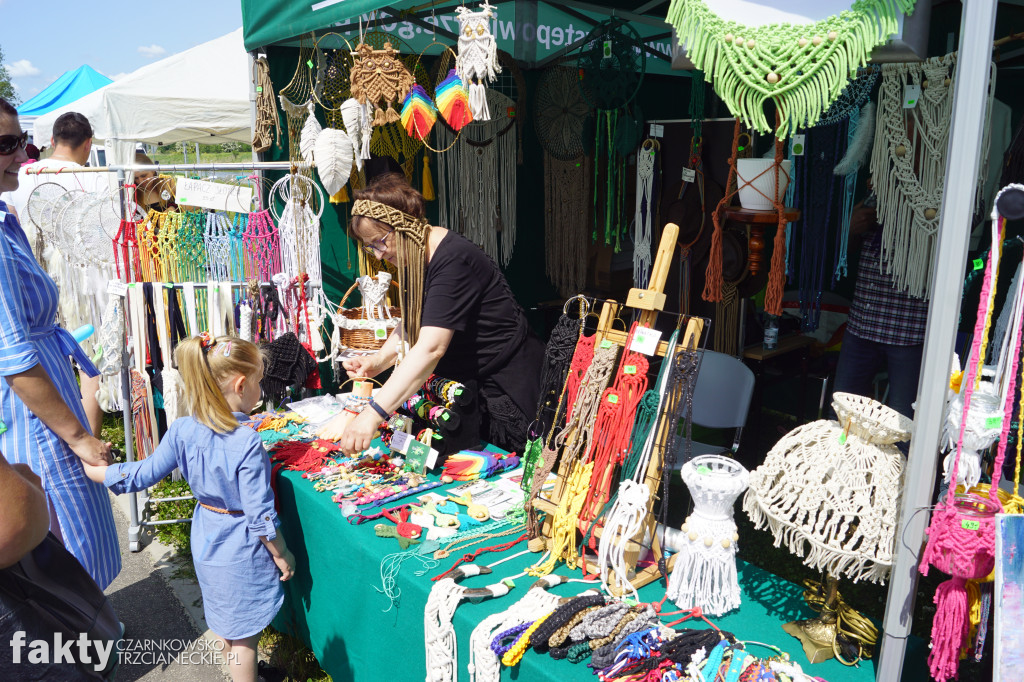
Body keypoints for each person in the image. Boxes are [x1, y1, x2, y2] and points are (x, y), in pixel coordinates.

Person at [82, 333, 295, 682]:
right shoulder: (247, 442)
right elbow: (260, 516)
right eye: (259, 382)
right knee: (244, 640)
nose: (260, 390)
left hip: (207, 538)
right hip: (240, 548)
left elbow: (143, 473)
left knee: (228, 625)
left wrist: (99, 470)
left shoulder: (182, 429)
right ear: (241, 385)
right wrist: (282, 552)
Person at [317, 173, 544, 454]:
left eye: (379, 242)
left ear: (403, 226)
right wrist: (377, 361)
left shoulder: (453, 261)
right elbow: (412, 323)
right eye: (369, 247)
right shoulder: (417, 258)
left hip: (508, 389)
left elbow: (431, 348)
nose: (377, 255)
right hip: (468, 392)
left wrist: (372, 414)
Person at [0, 98, 119, 589]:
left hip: (46, 397)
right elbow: (14, 359)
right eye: (7, 144)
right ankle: (73, 648)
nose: (21, 154)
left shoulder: (6, 219)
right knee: (62, 534)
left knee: (72, 526)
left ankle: (83, 635)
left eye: (21, 141)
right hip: (36, 414)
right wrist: (79, 436)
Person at [831, 194, 928, 420]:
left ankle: (898, 458)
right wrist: (851, 229)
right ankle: (844, 457)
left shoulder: (938, 191)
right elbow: (846, 250)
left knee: (902, 424)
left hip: (908, 328)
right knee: (841, 415)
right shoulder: (880, 189)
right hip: (862, 322)